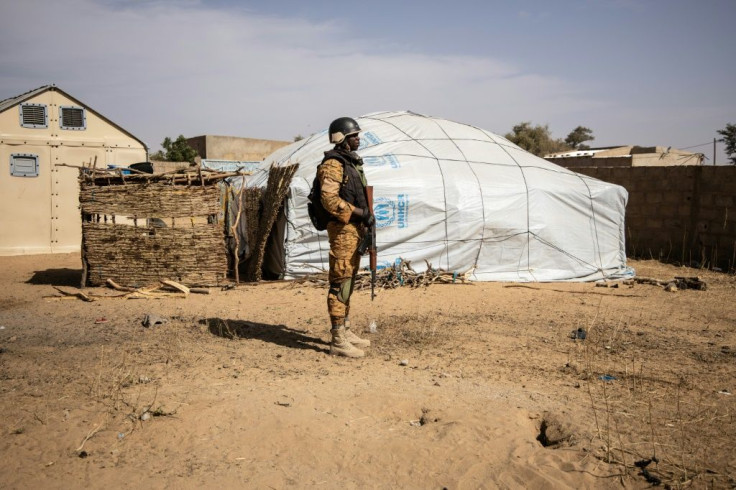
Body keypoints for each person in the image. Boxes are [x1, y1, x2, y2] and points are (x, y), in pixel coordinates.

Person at [317, 117, 374, 358]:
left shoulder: (351, 163)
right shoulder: (333, 164)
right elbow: (329, 201)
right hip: (343, 230)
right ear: (341, 138)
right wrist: (360, 213)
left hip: (355, 230)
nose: (358, 139)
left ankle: (346, 328)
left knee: (349, 280)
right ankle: (337, 338)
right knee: (341, 280)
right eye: (353, 136)